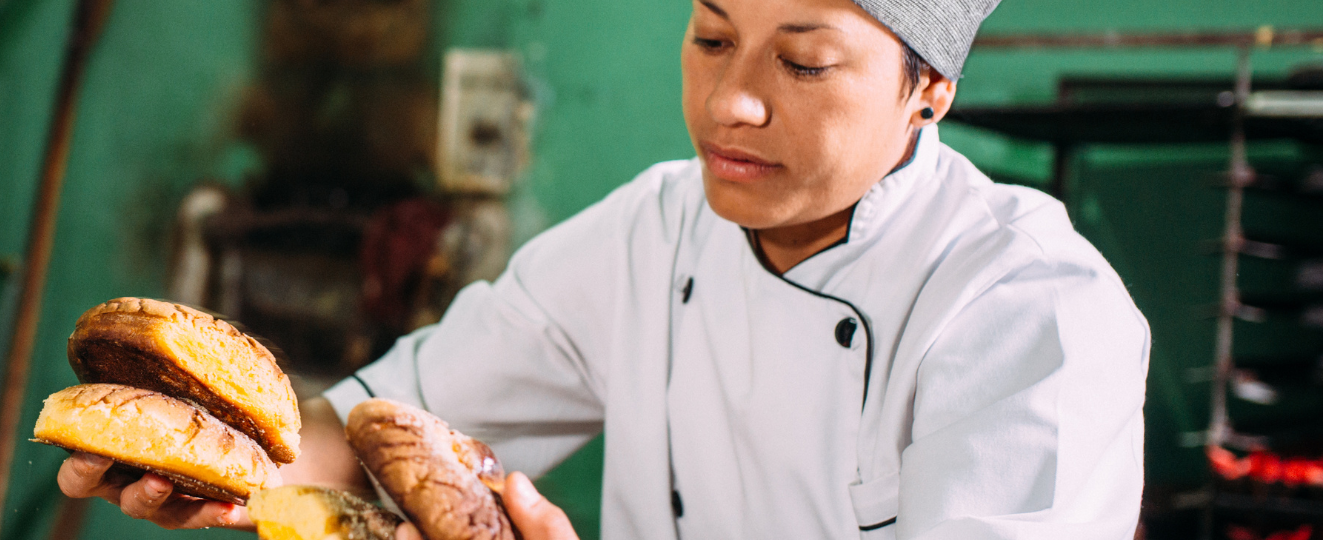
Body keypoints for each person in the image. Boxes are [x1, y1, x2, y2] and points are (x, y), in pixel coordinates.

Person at [58, 0, 1151, 537]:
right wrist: (223, 466)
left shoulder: (1033, 312)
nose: (733, 102)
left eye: (805, 62)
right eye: (712, 39)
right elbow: (375, 436)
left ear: (928, 93)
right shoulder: (656, 228)